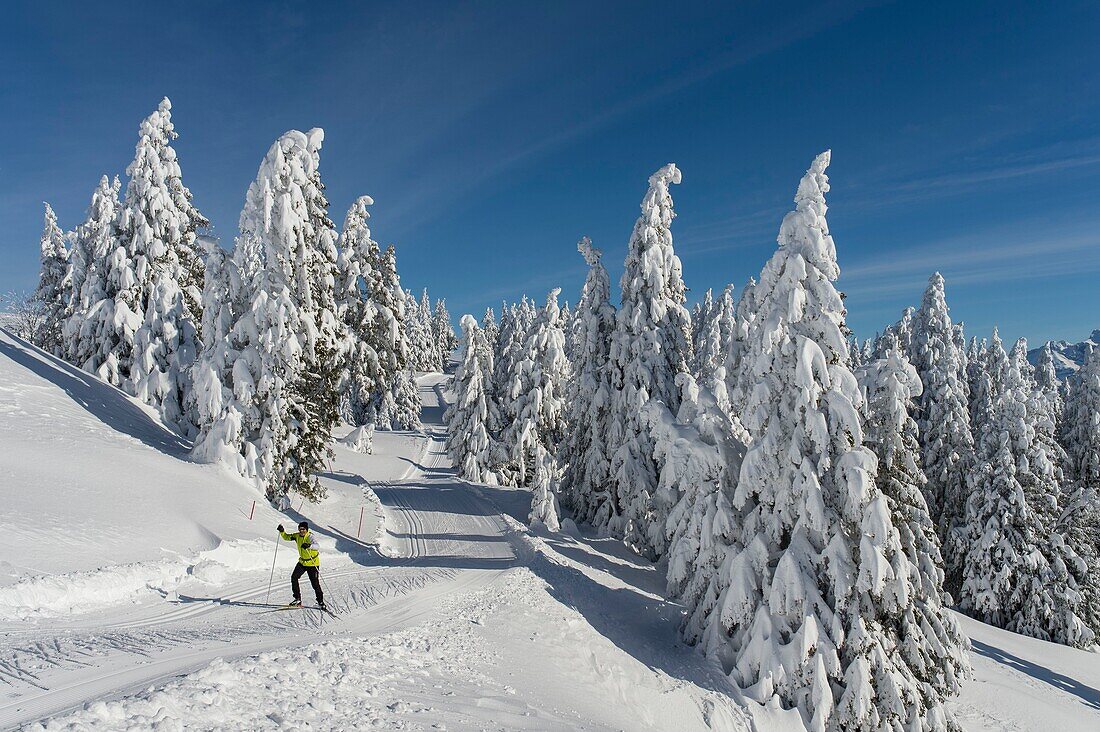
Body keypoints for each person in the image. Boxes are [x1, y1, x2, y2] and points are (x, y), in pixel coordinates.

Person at [277, 521, 325, 610]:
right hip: (302, 562)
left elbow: (317, 546)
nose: (301, 531)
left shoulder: (310, 536)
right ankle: (297, 599)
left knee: (315, 583)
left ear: (306, 530)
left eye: (303, 529)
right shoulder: (297, 536)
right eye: (300, 529)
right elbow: (287, 537)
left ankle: (320, 602)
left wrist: (309, 545)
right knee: (294, 577)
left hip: (312, 563)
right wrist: (282, 531)